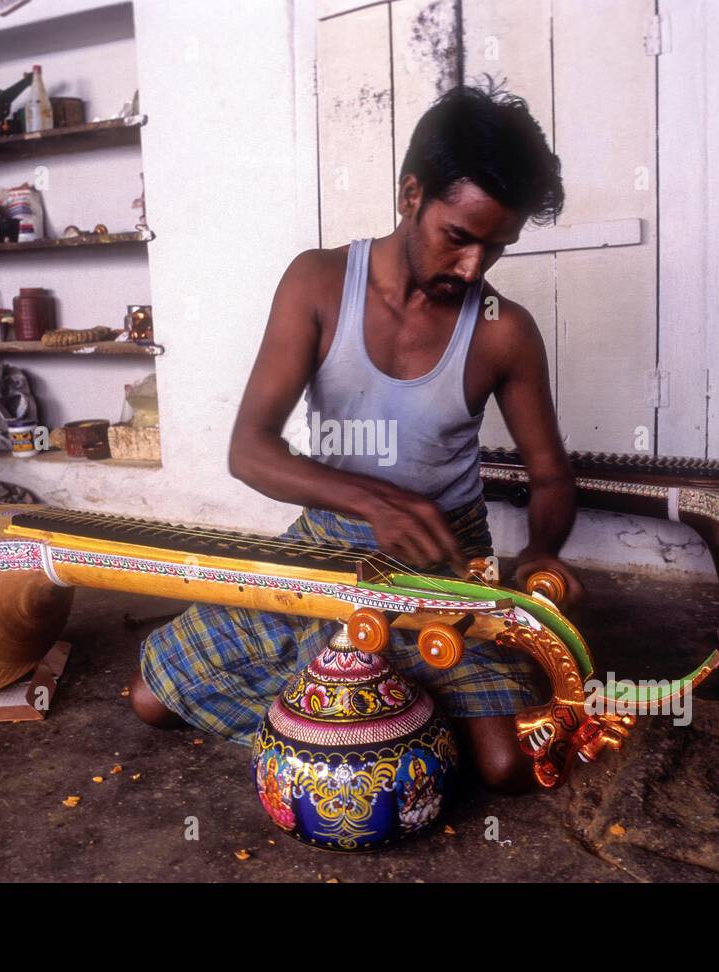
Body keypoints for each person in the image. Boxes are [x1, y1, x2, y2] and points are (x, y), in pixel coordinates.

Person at [129, 85, 581, 793]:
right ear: (410, 194)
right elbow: (250, 449)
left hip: (442, 567)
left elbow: (550, 476)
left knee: (508, 763)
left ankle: (359, 723)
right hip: (323, 548)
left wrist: (542, 556)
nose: (472, 269)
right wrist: (373, 502)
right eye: (458, 237)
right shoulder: (317, 283)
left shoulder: (504, 330)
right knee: (151, 699)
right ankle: (375, 733)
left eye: (496, 247)